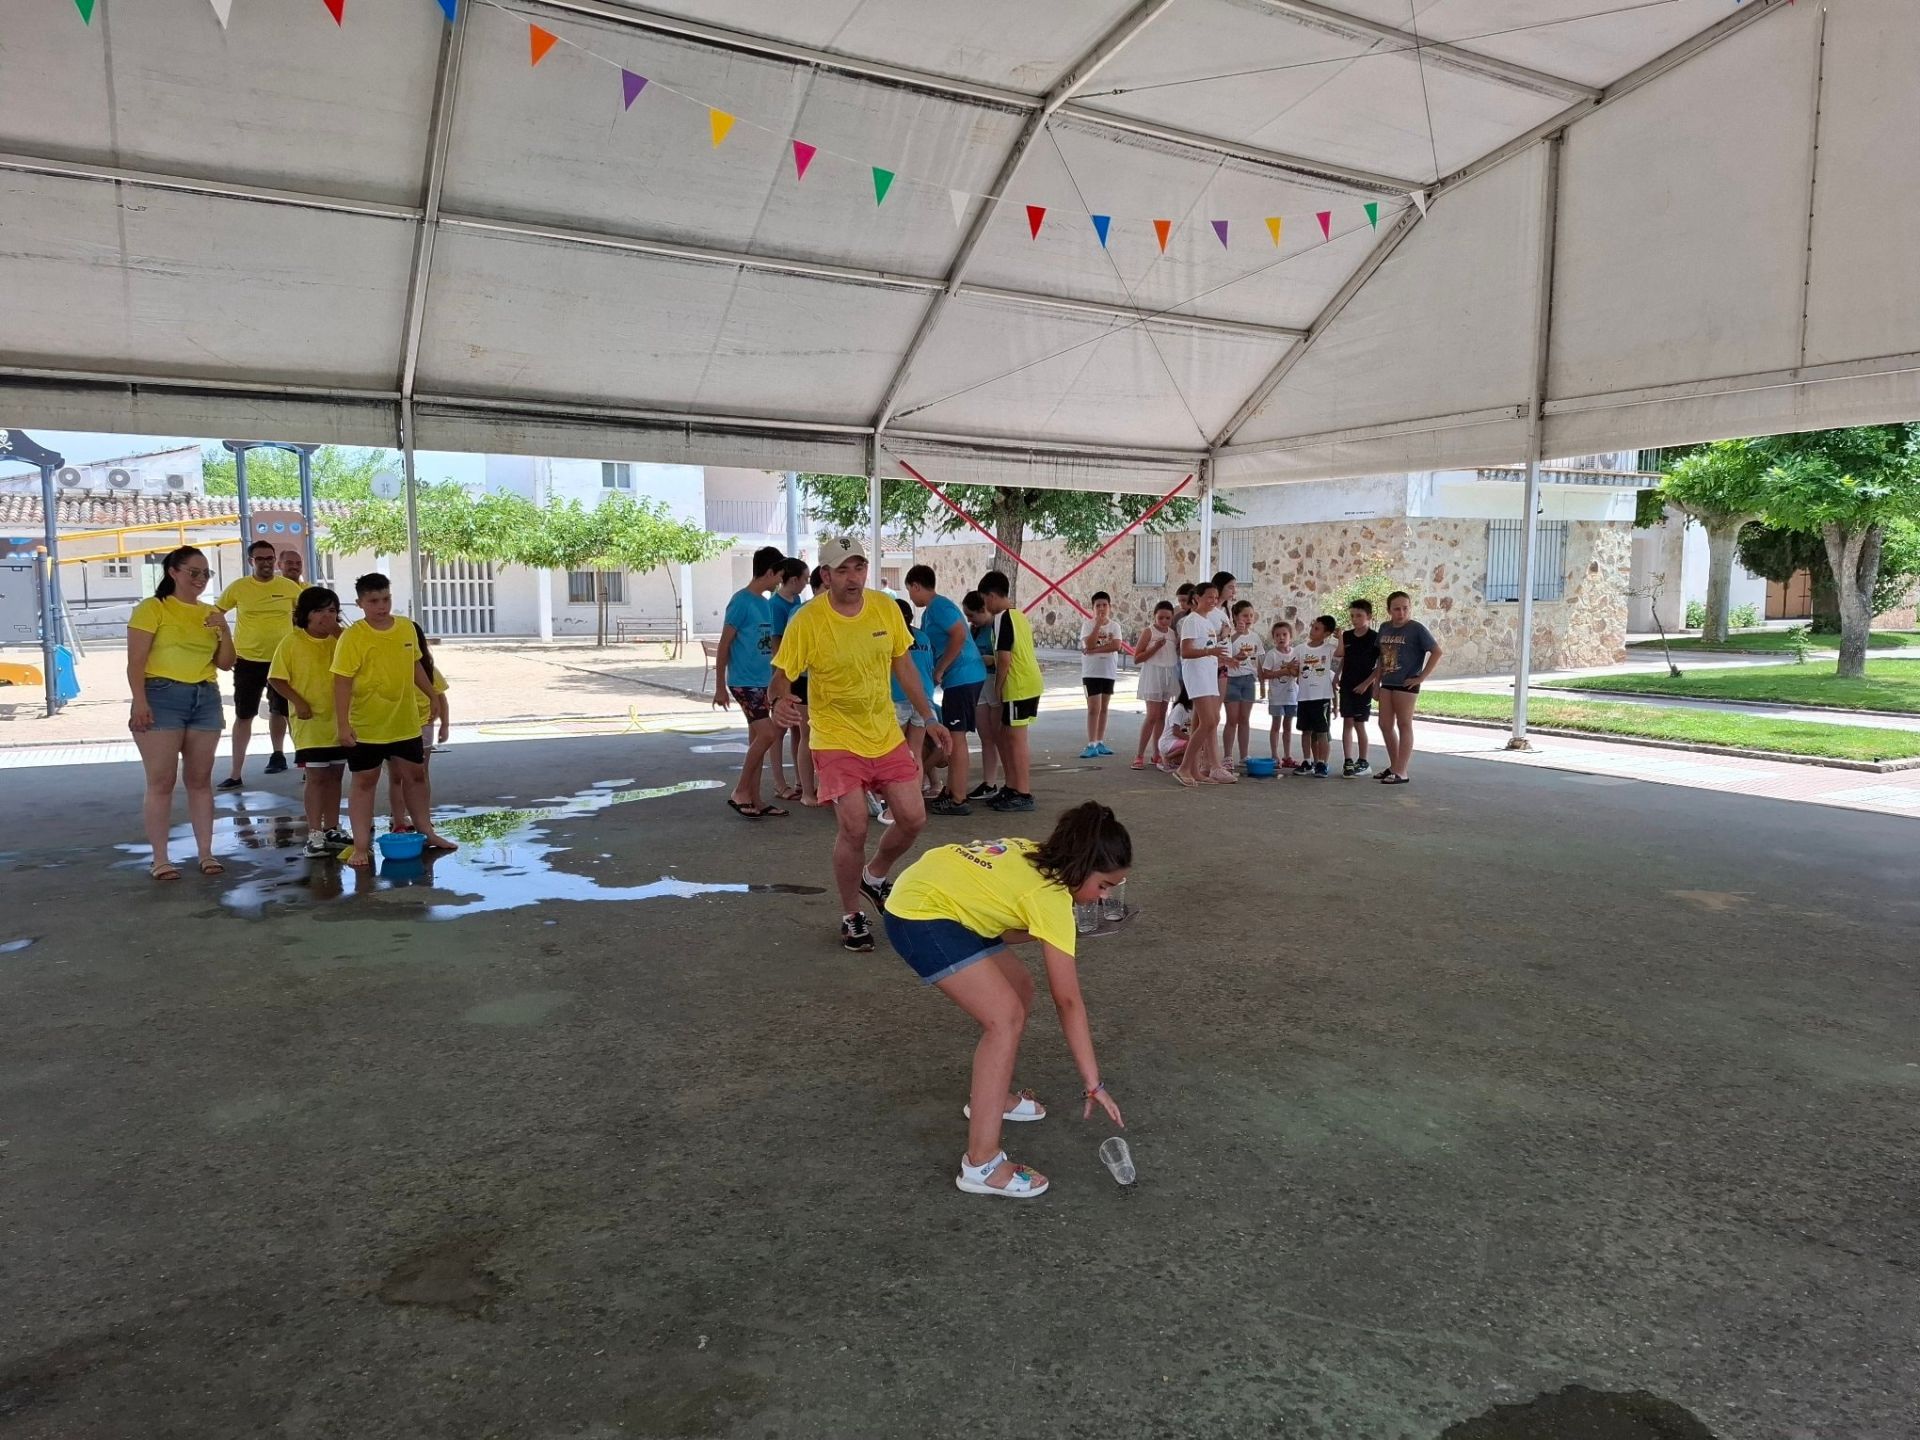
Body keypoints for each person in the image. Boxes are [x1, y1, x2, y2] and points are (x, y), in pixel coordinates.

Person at [880, 800, 1129, 1199]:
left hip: (939, 894)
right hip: (919, 913)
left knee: (1018, 990)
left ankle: (991, 1098)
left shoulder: (1034, 853)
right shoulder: (1050, 898)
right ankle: (981, 1164)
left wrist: (1049, 931)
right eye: (1103, 885)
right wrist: (1093, 1083)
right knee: (1005, 1017)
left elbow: (1003, 921)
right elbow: (1068, 1001)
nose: (1103, 897)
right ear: (1080, 867)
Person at [770, 538, 950, 953]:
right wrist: (780, 700)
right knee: (854, 825)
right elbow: (782, 673)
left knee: (913, 818)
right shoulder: (808, 620)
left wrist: (930, 718)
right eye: (843, 570)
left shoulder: (885, 608)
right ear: (826, 575)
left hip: (884, 733)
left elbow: (903, 666)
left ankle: (875, 875)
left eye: (859, 568)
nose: (853, 578)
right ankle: (852, 915)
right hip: (835, 737)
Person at [126, 546, 236, 879]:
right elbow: (136, 662)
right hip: (161, 694)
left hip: (205, 696)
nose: (200, 579)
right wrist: (139, 701)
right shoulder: (153, 608)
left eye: (206, 574)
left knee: (200, 780)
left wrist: (225, 629)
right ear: (173, 571)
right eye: (194, 572)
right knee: (161, 781)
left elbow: (227, 663)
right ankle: (161, 858)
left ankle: (206, 853)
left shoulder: (211, 612)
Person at [331, 573, 438, 868]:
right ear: (360, 603)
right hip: (366, 724)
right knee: (365, 782)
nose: (382, 606)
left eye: (386, 599)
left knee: (415, 776)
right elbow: (341, 682)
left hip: (404, 721)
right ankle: (361, 846)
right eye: (374, 601)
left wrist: (432, 695)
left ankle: (426, 830)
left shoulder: (405, 628)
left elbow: (415, 664)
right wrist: (342, 724)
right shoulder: (353, 636)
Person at [267, 586, 350, 858]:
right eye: (319, 610)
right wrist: (299, 702)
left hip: (339, 719)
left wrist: (338, 632)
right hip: (310, 722)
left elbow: (358, 659)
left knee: (336, 774)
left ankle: (333, 827)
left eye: (332, 610)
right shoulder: (291, 642)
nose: (326, 616)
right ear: (305, 614)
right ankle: (314, 832)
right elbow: (277, 678)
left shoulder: (342, 640)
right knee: (316, 776)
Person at [215, 539, 304, 787]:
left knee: (291, 713)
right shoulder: (238, 587)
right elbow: (214, 614)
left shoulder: (289, 587)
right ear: (250, 561)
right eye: (260, 559)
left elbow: (307, 617)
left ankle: (305, 767)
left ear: (275, 561)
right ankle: (235, 773)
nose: (265, 563)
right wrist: (219, 646)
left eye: (269, 558)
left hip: (283, 661)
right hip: (247, 662)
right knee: (244, 715)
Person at [907, 564, 988, 817]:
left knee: (957, 736)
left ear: (916, 586)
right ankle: (954, 790)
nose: (911, 597)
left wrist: (941, 668)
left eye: (911, 591)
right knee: (955, 735)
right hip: (961, 678)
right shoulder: (933, 610)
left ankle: (958, 798)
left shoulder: (939, 606)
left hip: (962, 676)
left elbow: (958, 636)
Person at [713, 546, 787, 819]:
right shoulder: (741, 601)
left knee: (758, 738)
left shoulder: (765, 604)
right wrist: (720, 686)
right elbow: (724, 645)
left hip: (762, 682)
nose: (779, 581)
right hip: (743, 682)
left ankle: (755, 798)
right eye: (778, 575)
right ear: (769, 572)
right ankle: (741, 791)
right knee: (768, 734)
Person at [979, 570, 1042, 812]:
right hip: (1025, 683)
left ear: (993, 596)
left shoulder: (1003, 618)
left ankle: (1023, 792)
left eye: (985, 599)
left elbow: (1004, 658)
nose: (985, 605)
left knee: (1016, 741)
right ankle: (1013, 786)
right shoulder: (1018, 616)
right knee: (1008, 737)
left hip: (1019, 686)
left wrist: (998, 686)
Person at [391, 623, 456, 850]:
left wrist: (444, 725)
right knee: (396, 775)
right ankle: (398, 820)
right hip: (396, 726)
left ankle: (423, 819)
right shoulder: (390, 665)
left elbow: (441, 697)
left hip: (423, 725)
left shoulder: (428, 668)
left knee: (420, 774)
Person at [878, 597, 938, 827]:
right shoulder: (922, 636)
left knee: (894, 753)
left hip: (898, 698)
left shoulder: (890, 637)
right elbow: (929, 666)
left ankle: (894, 805)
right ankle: (914, 801)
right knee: (915, 752)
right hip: (924, 700)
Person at [1373, 590, 1443, 786]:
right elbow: (1381, 657)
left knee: (1404, 724)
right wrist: (1376, 684)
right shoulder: (1385, 627)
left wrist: (1421, 677)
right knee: (1385, 724)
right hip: (1388, 681)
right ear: (1389, 610)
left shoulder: (1416, 629)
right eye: (1396, 609)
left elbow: (1436, 651)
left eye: (1405, 608)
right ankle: (1394, 765)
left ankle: (1401, 770)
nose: (1401, 613)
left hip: (1406, 683)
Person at [1176, 581, 1231, 786]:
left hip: (1208, 675)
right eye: (1209, 597)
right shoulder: (1192, 620)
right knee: (1208, 722)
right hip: (1197, 676)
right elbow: (1186, 651)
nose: (1213, 601)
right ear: (1197, 598)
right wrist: (1210, 652)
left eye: (1216, 597)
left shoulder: (1208, 622)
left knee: (1210, 721)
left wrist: (1229, 659)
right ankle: (1184, 767)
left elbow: (1210, 648)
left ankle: (1195, 769)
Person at [768, 558, 813, 804]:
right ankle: (779, 782)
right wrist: (781, 675)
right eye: (804, 579)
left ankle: (799, 779)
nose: (806, 583)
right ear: (793, 579)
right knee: (778, 730)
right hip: (785, 672)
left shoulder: (796, 602)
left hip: (797, 670)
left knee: (798, 729)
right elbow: (777, 641)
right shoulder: (776, 605)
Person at [1130, 600, 1179, 771]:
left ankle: (1157, 752)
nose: (1164, 621)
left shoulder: (1173, 634)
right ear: (1154, 617)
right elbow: (1137, 657)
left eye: (1167, 618)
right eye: (1161, 618)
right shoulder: (1148, 632)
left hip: (1168, 674)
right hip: (1153, 674)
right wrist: (1155, 648)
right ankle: (1139, 754)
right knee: (1151, 716)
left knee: (1161, 716)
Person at [963, 591, 1003, 803]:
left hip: (994, 681)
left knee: (999, 737)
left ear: (983, 609)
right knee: (986, 736)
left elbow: (1006, 657)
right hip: (979, 683)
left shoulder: (997, 625)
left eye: (972, 615)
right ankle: (989, 783)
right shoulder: (975, 629)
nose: (970, 620)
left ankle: (1011, 784)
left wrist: (990, 659)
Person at [1074, 591, 1123, 759]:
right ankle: (1091, 743)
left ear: (1110, 607)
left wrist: (1093, 650)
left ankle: (1100, 741)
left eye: (1104, 605)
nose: (1101, 608)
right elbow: (1088, 643)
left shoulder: (1115, 626)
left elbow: (1116, 646)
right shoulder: (1088, 625)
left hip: (1108, 671)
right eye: (1098, 606)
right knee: (1093, 708)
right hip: (1091, 672)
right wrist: (1098, 625)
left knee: (1104, 708)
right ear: (1093, 608)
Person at [1290, 615, 1339, 778]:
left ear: (1327, 633)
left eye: (1317, 628)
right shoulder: (1300, 649)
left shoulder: (1329, 649)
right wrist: (1291, 668)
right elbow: (1294, 671)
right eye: (1313, 626)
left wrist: (1341, 637)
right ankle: (1307, 761)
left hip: (1322, 697)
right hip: (1304, 696)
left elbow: (1342, 653)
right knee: (1306, 731)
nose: (1312, 630)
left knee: (1322, 732)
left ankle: (1322, 763)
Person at [1337, 598, 1381, 777]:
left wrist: (1367, 684)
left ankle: (1363, 760)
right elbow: (1342, 656)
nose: (1355, 619)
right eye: (1352, 616)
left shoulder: (1375, 638)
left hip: (1363, 687)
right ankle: (1348, 760)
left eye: (1359, 615)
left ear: (1368, 616)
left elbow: (1381, 665)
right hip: (1347, 684)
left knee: (1359, 724)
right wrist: (1337, 677)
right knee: (1347, 721)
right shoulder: (1346, 636)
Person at [1220, 599, 1261, 772]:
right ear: (1236, 617)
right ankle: (1228, 756)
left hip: (1248, 680)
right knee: (1232, 719)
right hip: (1232, 680)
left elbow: (1257, 660)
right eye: (1245, 615)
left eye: (1251, 615)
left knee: (1244, 719)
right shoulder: (1230, 635)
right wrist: (1236, 655)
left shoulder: (1255, 637)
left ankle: (1244, 755)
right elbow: (1225, 651)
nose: (1248, 618)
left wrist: (1261, 681)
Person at [1259, 621, 1300, 767]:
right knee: (1276, 725)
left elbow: (1298, 672)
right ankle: (1275, 754)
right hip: (1276, 696)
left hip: (1292, 696)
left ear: (1291, 636)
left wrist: (1292, 670)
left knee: (1288, 726)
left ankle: (1287, 756)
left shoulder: (1296, 653)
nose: (1281, 638)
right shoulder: (1272, 654)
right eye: (1277, 635)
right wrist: (1285, 670)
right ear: (1273, 637)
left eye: (1284, 634)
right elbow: (1266, 673)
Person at [1157, 682, 1193, 769]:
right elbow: (1175, 731)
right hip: (1168, 741)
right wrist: (1192, 738)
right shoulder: (1179, 709)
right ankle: (1167, 757)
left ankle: (1174, 758)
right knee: (1193, 744)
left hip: (1179, 741)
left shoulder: (1192, 710)